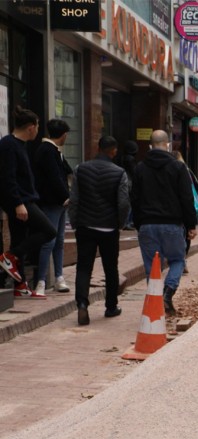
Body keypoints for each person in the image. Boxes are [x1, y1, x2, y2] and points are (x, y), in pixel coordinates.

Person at [131, 130, 197, 316]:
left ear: (150, 146)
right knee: (177, 260)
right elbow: (186, 198)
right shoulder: (178, 167)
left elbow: (134, 199)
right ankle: (168, 291)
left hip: (147, 225)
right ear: (167, 145)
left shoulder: (140, 168)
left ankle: (154, 305)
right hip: (172, 224)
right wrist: (191, 225)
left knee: (152, 268)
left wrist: (138, 224)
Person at [68, 136, 130, 325]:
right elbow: (123, 203)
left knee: (84, 267)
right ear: (114, 151)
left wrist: (74, 222)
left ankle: (82, 304)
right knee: (110, 268)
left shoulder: (81, 169)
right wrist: (120, 223)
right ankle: (111, 306)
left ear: (98, 148)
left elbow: (75, 199)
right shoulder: (119, 173)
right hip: (109, 227)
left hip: (85, 226)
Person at [0, 106, 56, 299]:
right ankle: (10, 257)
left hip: (23, 199)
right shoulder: (8, 145)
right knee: (49, 231)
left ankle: (21, 285)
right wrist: (17, 203)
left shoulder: (18, 145)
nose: (38, 130)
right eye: (38, 126)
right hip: (21, 201)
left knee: (19, 239)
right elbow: (7, 177)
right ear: (31, 127)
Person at [32, 118, 73, 296]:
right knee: (49, 241)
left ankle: (58, 277)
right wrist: (66, 195)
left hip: (59, 203)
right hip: (52, 202)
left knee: (60, 240)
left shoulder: (54, 151)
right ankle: (41, 281)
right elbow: (54, 177)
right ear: (63, 135)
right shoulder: (47, 151)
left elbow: (66, 170)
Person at [174, 150, 198, 274]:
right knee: (186, 235)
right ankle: (183, 260)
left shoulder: (168, 170)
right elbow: (197, 184)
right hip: (185, 208)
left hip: (172, 209)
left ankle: (177, 260)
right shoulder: (186, 170)